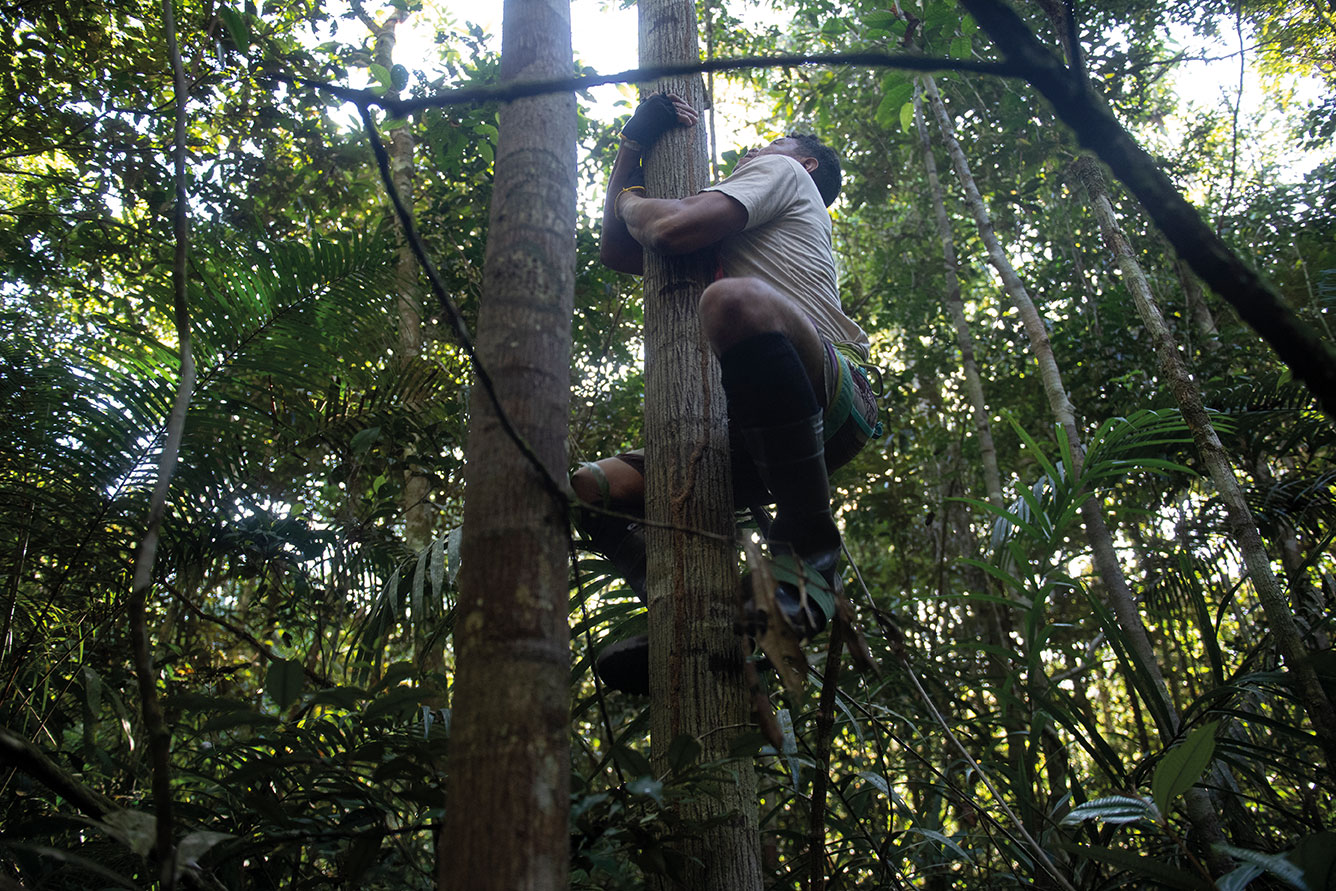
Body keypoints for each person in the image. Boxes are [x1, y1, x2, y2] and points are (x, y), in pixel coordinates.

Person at [573, 93, 879, 694]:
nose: (754, 152)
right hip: (758, 429)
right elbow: (618, 250)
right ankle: (696, 622)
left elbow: (667, 226)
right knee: (591, 490)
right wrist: (632, 148)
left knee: (734, 301)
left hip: (832, 395)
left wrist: (632, 197)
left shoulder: (786, 173)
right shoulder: (738, 233)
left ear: (806, 164)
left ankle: (811, 559)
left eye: (769, 145)